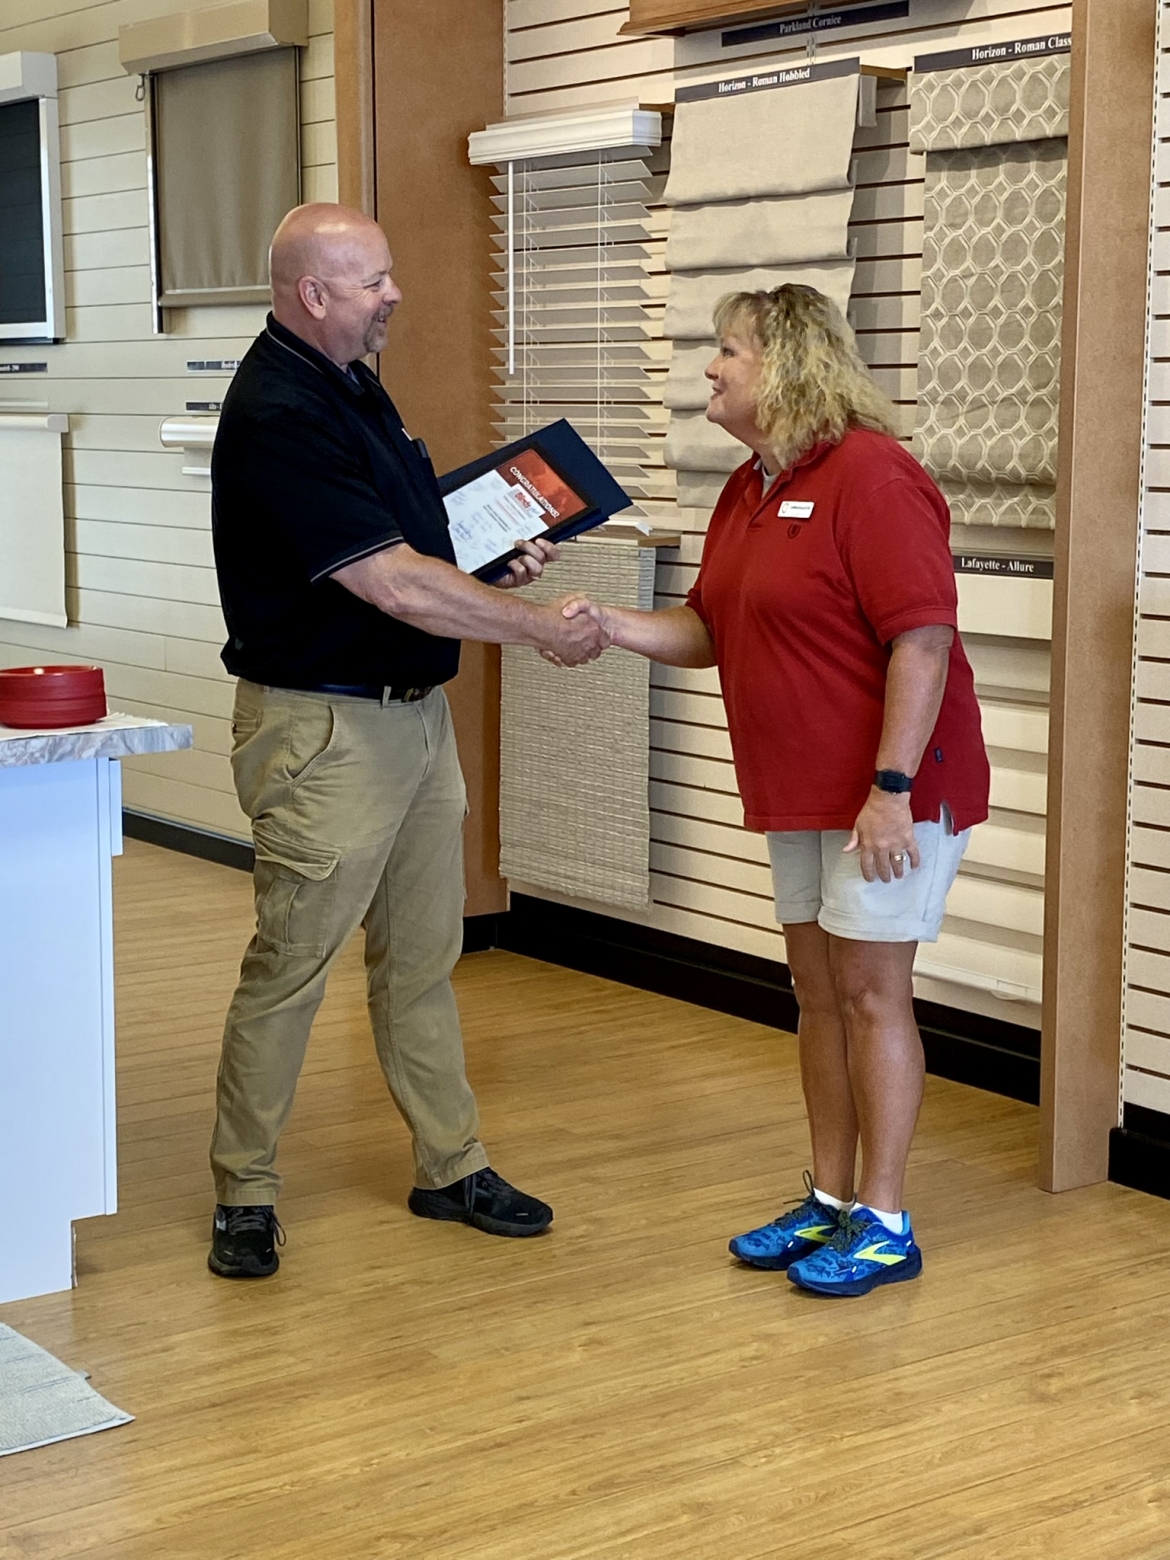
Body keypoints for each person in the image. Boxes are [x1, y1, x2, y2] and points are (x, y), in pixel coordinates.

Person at [559, 284, 989, 1297]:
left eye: (730, 351)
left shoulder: (875, 479)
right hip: (798, 791)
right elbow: (709, 629)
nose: (712, 367)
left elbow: (922, 643)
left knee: (874, 995)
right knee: (817, 995)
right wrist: (610, 626)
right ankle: (831, 1199)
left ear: (787, 365)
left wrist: (889, 790)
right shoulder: (750, 487)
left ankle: (884, 1218)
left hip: (888, 794)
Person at [207, 203, 607, 1278]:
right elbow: (383, 581)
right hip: (324, 730)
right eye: (374, 280)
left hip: (413, 720)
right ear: (314, 296)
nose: (395, 295)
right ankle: (245, 1192)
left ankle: (449, 1163)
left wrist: (479, 559)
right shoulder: (277, 410)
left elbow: (400, 539)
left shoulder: (351, 384)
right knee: (290, 968)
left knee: (422, 964)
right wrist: (534, 630)